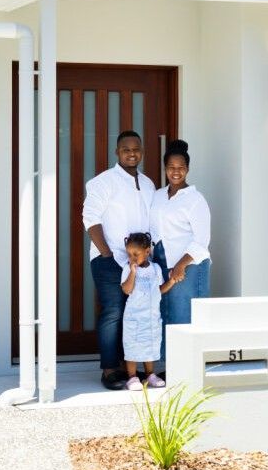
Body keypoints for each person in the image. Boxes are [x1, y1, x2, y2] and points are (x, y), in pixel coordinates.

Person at [82, 130, 156, 390]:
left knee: (136, 315)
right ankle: (110, 370)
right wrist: (107, 254)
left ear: (142, 151)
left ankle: (133, 370)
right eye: (126, 149)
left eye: (136, 148)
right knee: (113, 312)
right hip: (110, 260)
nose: (132, 153)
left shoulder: (148, 184)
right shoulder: (102, 182)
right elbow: (90, 219)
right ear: (117, 152)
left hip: (141, 264)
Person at [150, 139, 211, 333]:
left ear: (188, 169)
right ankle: (168, 362)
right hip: (161, 261)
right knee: (165, 313)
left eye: (181, 167)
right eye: (171, 167)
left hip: (188, 265)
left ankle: (186, 363)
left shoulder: (195, 199)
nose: (176, 172)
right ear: (165, 169)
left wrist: (180, 265)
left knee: (183, 316)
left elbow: (202, 240)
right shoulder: (157, 195)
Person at [120, 232, 176, 391]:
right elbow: (126, 289)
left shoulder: (156, 269)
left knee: (150, 345)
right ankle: (132, 377)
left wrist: (171, 281)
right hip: (134, 317)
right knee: (132, 345)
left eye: (136, 254)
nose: (132, 257)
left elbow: (160, 290)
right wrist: (132, 272)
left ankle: (150, 374)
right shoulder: (128, 268)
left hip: (151, 317)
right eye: (129, 254)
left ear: (147, 251)